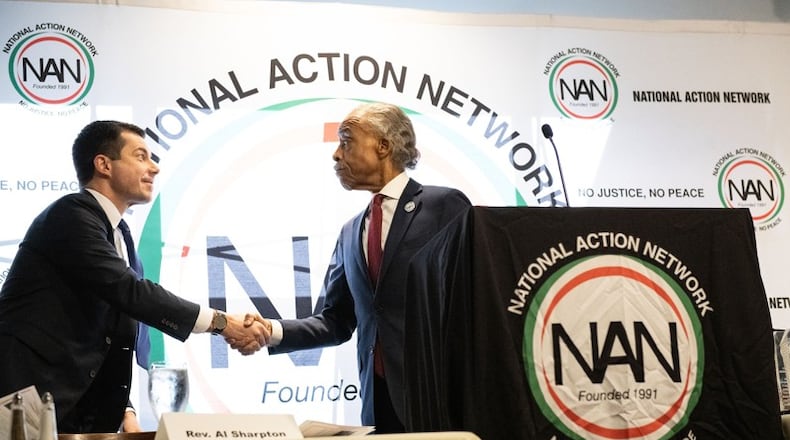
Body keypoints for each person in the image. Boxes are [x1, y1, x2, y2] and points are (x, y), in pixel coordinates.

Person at [0, 120, 269, 433]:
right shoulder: (71, 214)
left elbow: (113, 326)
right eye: (141, 156)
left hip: (81, 416)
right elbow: (130, 292)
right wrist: (222, 323)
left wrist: (125, 410)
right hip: (26, 404)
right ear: (103, 164)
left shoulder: (120, 234)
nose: (154, 168)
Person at [234, 102, 472, 432]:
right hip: (377, 404)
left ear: (384, 146)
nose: (336, 154)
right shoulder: (351, 232)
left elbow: (471, 301)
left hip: (436, 400)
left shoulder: (444, 206)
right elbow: (335, 321)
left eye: (346, 140)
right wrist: (270, 331)